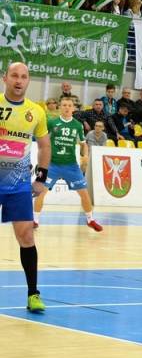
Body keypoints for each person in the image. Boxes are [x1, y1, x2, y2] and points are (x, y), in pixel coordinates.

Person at [0, 63, 52, 313]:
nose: (19, 80)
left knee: (27, 236)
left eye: (23, 77)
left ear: (28, 81)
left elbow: (44, 146)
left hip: (18, 184)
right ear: (5, 78)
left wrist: (41, 178)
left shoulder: (36, 111)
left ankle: (33, 294)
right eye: (14, 76)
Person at [34, 96, 103, 232]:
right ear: (60, 107)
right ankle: (35, 220)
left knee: (84, 193)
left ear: (73, 108)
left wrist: (85, 156)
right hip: (52, 164)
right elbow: (42, 140)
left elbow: (84, 144)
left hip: (71, 165)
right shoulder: (52, 123)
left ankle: (90, 220)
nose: (66, 107)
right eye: (64, 105)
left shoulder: (77, 125)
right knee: (41, 192)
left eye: (69, 105)